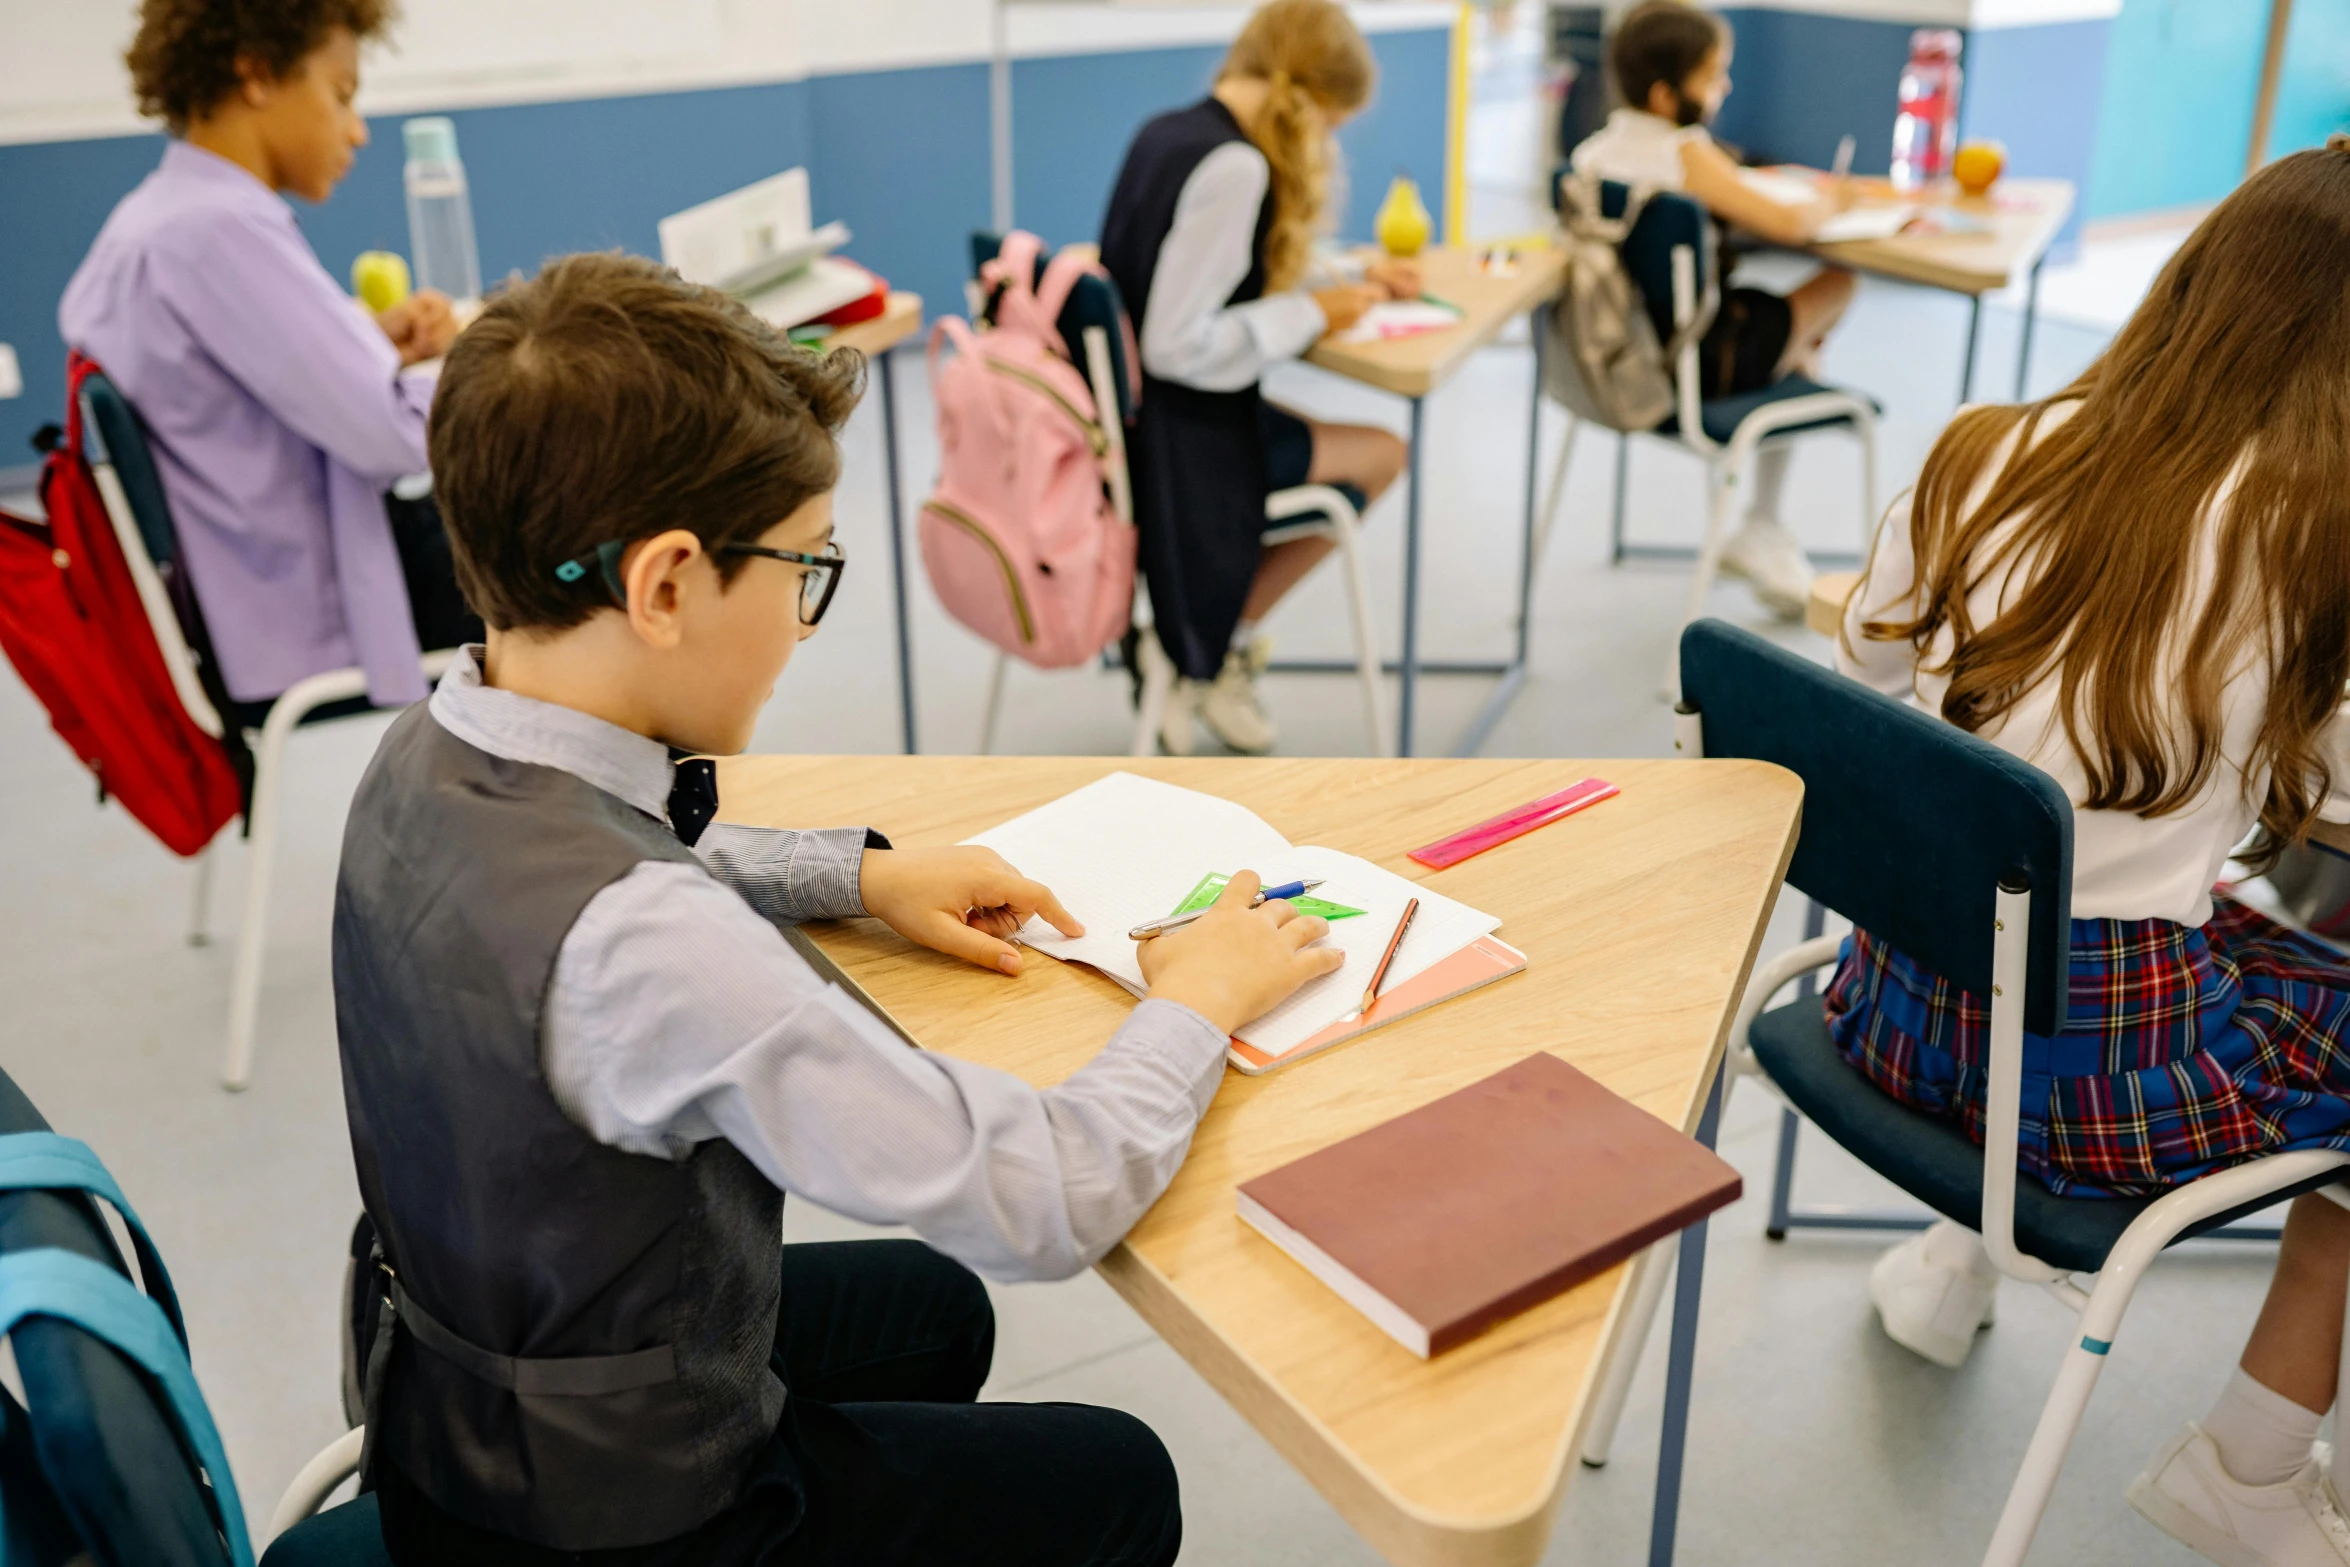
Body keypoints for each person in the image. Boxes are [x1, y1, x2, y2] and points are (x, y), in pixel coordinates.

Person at [334, 250, 1346, 1567]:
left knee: (934, 1311)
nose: (807, 622)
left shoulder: (424, 753)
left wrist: (854, 874)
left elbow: (609, 866)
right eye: (805, 568)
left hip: (457, 1407)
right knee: (1117, 1475)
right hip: (619, 1524)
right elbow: (1044, 1193)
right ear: (665, 585)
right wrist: (1199, 995)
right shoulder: (653, 947)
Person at [1831, 143, 2350, 1567]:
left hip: (1888, 1003)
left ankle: (1951, 1261)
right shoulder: (2310, 544)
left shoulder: (1980, 449)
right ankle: (2246, 1467)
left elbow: (1861, 655)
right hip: (2085, 1091)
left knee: (2067, 877)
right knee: (2240, 938)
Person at [60, 0, 472, 726]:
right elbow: (395, 436)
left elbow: (226, 386)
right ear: (255, 74)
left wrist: (370, 343)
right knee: (595, 546)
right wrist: (490, 353)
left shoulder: (151, 218)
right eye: (340, 94)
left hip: (252, 600)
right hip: (324, 600)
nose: (357, 129)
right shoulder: (224, 228)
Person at [1100, 0, 1413, 756]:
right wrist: (1311, 313)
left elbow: (1206, 267)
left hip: (1143, 424)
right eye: (1333, 125)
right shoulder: (1236, 165)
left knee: (1347, 441)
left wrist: (1342, 274)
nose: (1327, 142)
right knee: (1382, 452)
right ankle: (1213, 650)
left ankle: (1200, 649)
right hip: (1189, 446)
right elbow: (1180, 343)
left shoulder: (1169, 131)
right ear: (1308, 101)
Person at [1571, 0, 1857, 618]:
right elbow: (1786, 219)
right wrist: (1835, 201)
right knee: (1838, 284)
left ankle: (1764, 524)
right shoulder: (1683, 152)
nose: (1724, 86)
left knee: (1791, 339)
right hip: (1700, 368)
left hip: (1626, 354)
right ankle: (1763, 521)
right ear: (1665, 94)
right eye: (1712, 75)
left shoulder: (1595, 151)